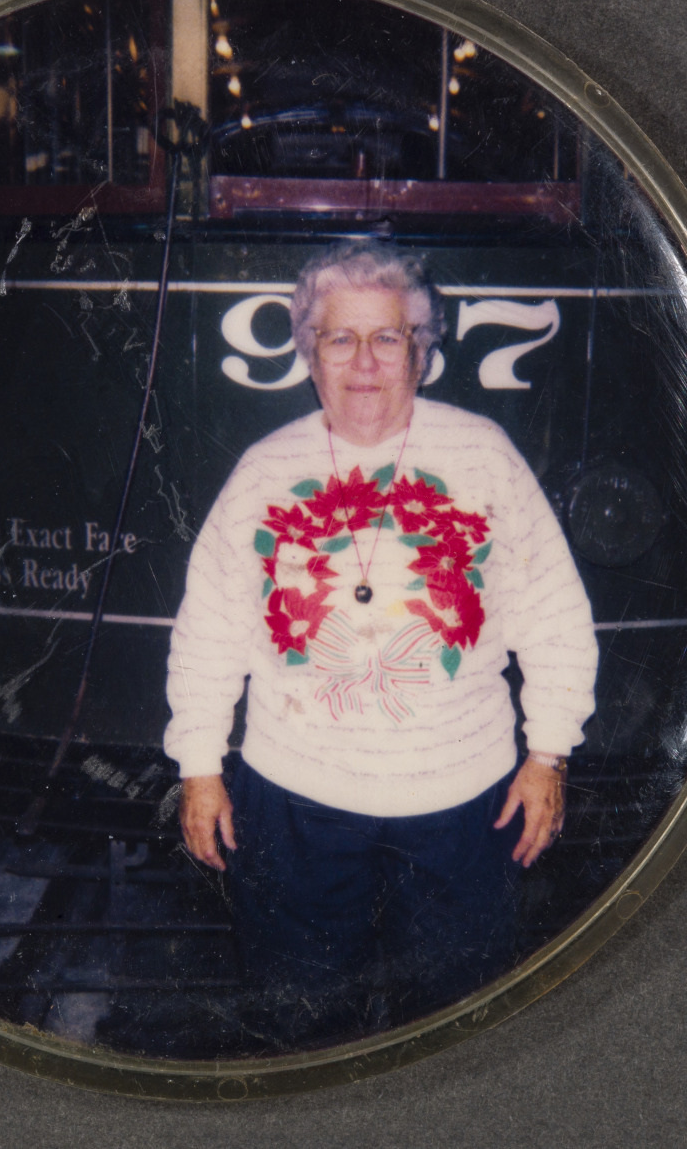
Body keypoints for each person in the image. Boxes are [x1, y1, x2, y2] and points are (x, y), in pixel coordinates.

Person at [163, 241, 598, 1045]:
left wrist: (549, 755)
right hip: (296, 806)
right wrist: (198, 767)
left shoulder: (483, 455)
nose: (364, 362)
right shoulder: (265, 470)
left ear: (421, 352)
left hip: (463, 808)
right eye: (339, 338)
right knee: (302, 1026)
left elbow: (554, 614)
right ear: (308, 353)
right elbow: (209, 627)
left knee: (453, 1031)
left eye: (388, 338)